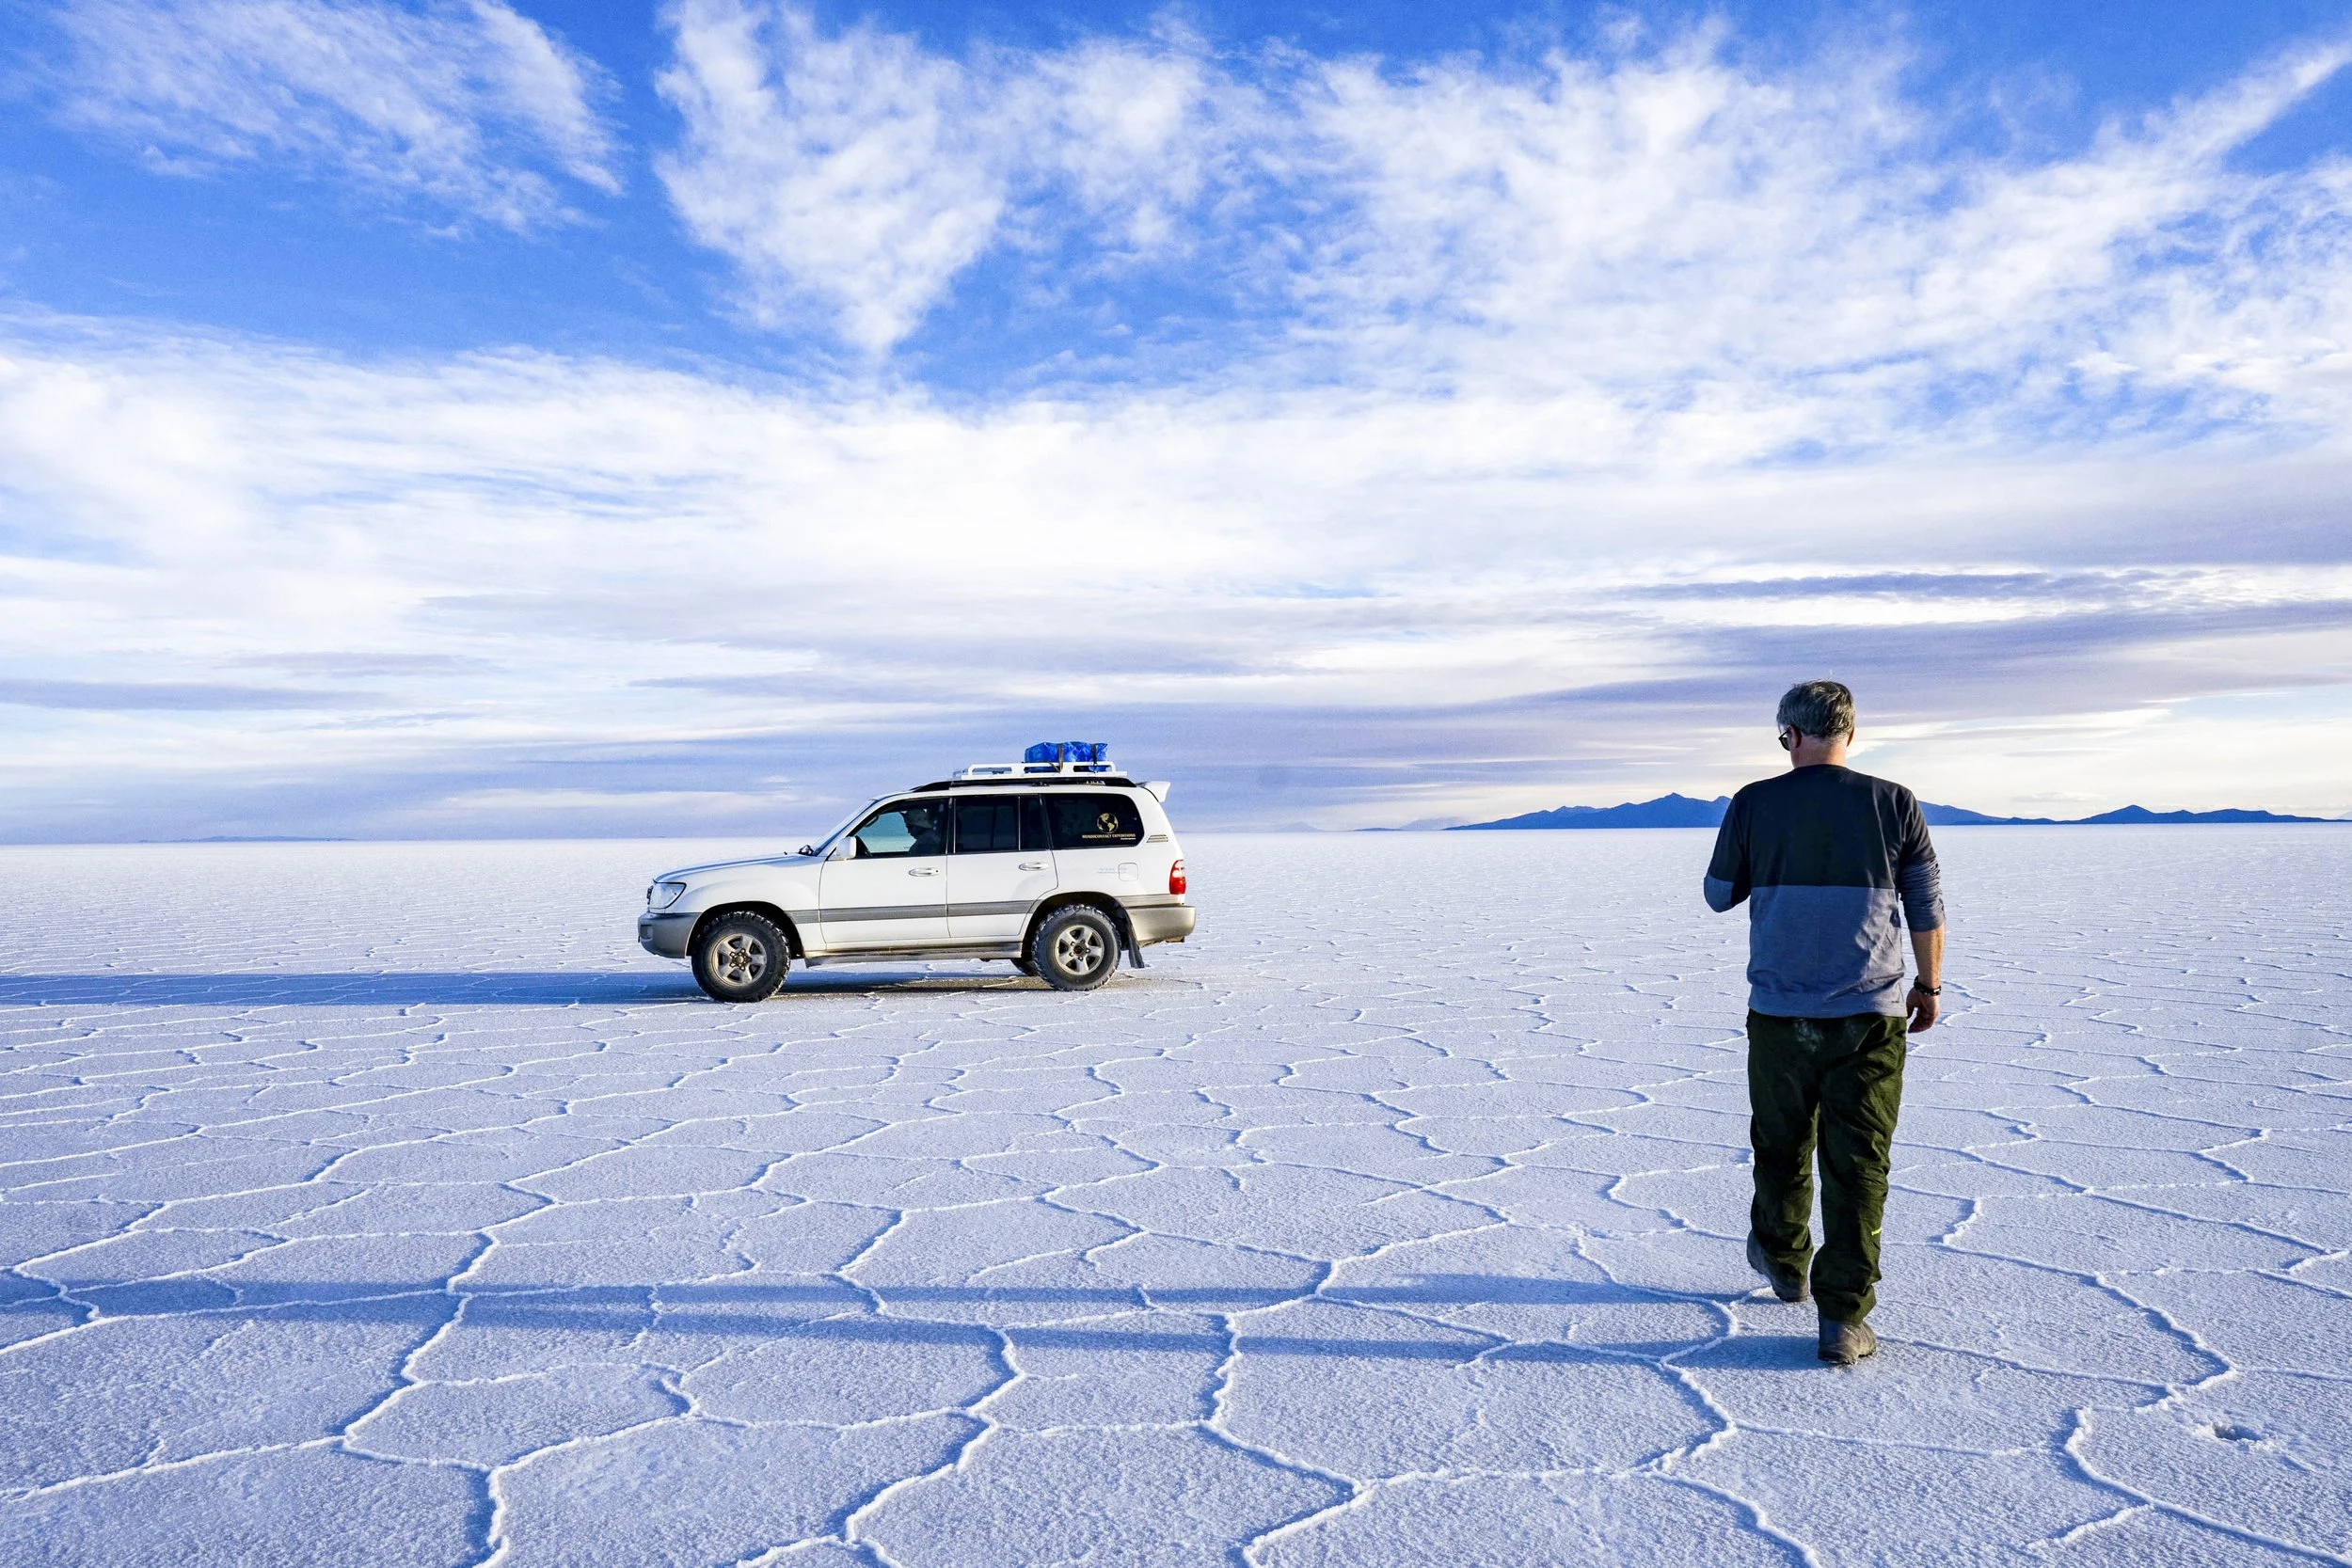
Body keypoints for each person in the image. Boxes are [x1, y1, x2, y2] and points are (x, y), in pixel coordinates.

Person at [1702, 680, 1945, 1366]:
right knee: (1859, 1162)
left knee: (1780, 1143)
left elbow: (1719, 895)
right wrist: (1927, 985)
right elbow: (1926, 906)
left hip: (1780, 1011)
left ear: (1791, 734)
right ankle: (1842, 1320)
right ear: (1850, 733)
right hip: (1871, 1013)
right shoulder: (1895, 801)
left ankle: (1784, 1260)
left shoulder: (1753, 801)